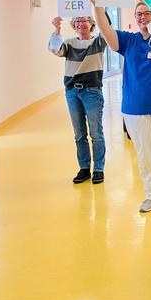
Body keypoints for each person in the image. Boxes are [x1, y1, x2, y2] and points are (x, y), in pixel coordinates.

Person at [89, 0, 151, 213]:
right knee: (145, 154)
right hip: (134, 108)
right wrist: (97, 5)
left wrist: (149, 1)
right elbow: (105, 29)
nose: (142, 17)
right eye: (139, 14)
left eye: (147, 13)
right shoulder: (128, 41)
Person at [48, 15, 108, 184]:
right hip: (73, 92)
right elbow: (56, 50)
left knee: (96, 133)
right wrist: (57, 29)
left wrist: (100, 8)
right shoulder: (69, 43)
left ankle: (98, 169)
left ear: (91, 24)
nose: (81, 24)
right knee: (79, 134)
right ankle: (84, 168)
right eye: (78, 21)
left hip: (92, 92)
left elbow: (108, 31)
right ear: (74, 25)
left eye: (84, 20)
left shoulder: (98, 42)